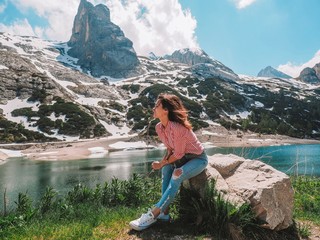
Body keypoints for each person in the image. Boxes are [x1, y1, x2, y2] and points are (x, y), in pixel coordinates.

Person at [129, 93, 208, 231]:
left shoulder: (178, 128)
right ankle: (165, 214)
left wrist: (160, 163)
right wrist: (163, 163)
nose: (154, 108)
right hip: (182, 158)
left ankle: (154, 213)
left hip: (198, 159)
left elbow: (178, 153)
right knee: (166, 169)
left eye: (157, 106)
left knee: (176, 174)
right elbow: (170, 149)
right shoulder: (159, 127)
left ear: (166, 110)